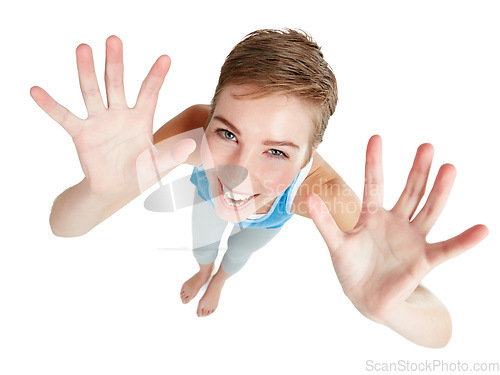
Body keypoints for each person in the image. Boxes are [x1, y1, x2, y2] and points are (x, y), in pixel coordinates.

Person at [30, 29, 488, 348]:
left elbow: (440, 329)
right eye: (227, 134)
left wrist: (388, 309)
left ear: (307, 158)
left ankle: (223, 278)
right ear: (209, 118)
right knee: (204, 244)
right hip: (205, 200)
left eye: (276, 152)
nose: (240, 174)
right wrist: (100, 191)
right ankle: (206, 271)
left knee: (241, 252)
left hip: (268, 218)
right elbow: (64, 227)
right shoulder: (191, 134)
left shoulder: (320, 191)